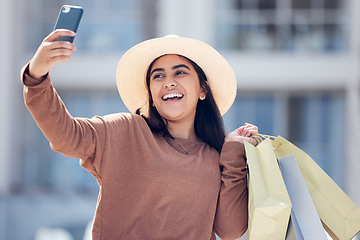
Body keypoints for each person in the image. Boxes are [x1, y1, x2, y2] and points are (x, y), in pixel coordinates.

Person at [21, 29, 259, 240]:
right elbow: (66, 136)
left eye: (180, 73)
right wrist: (37, 76)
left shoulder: (217, 155)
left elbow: (230, 231)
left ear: (203, 90)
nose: (168, 82)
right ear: (152, 95)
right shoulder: (125, 130)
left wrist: (234, 152)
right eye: (158, 76)